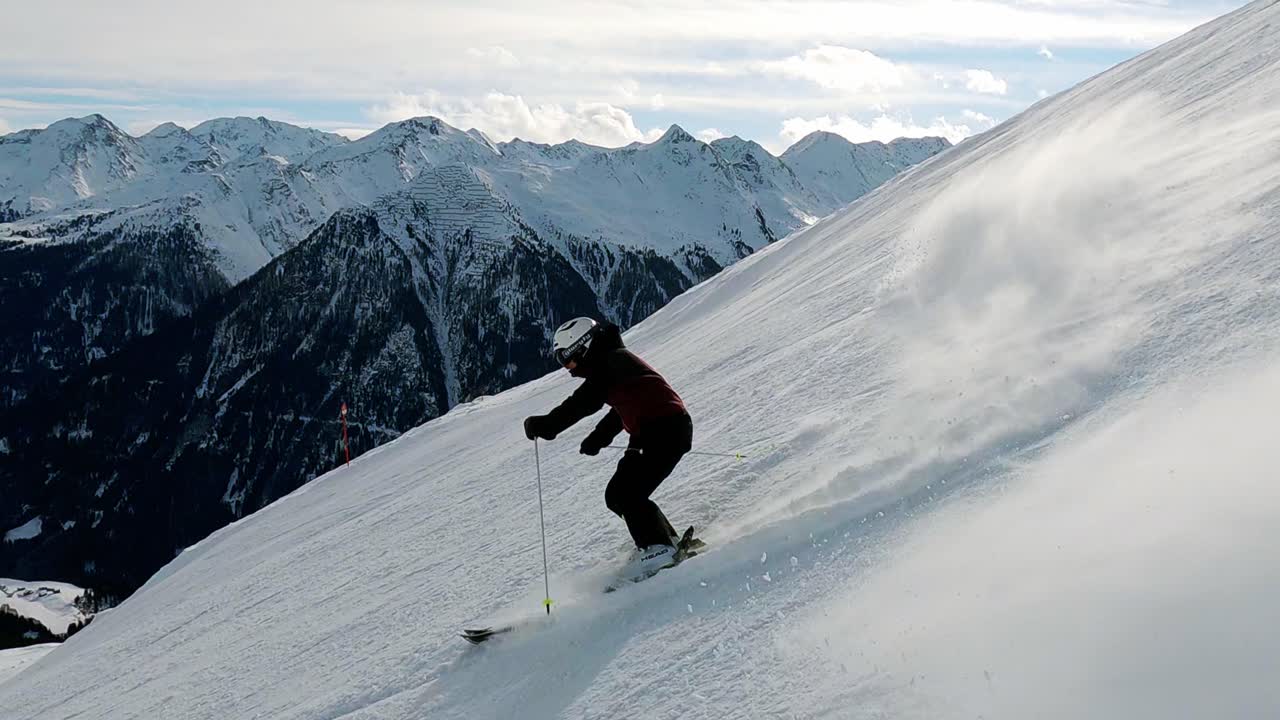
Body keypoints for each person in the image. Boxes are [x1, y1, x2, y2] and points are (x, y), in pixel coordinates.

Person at [523, 317, 693, 576]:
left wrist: (546, 425)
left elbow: (582, 402)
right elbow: (621, 405)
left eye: (567, 359)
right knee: (617, 495)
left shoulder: (609, 364)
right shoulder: (613, 360)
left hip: (665, 430)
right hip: (655, 431)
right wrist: (599, 437)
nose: (568, 368)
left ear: (583, 347)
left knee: (626, 494)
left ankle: (659, 550)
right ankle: (662, 544)